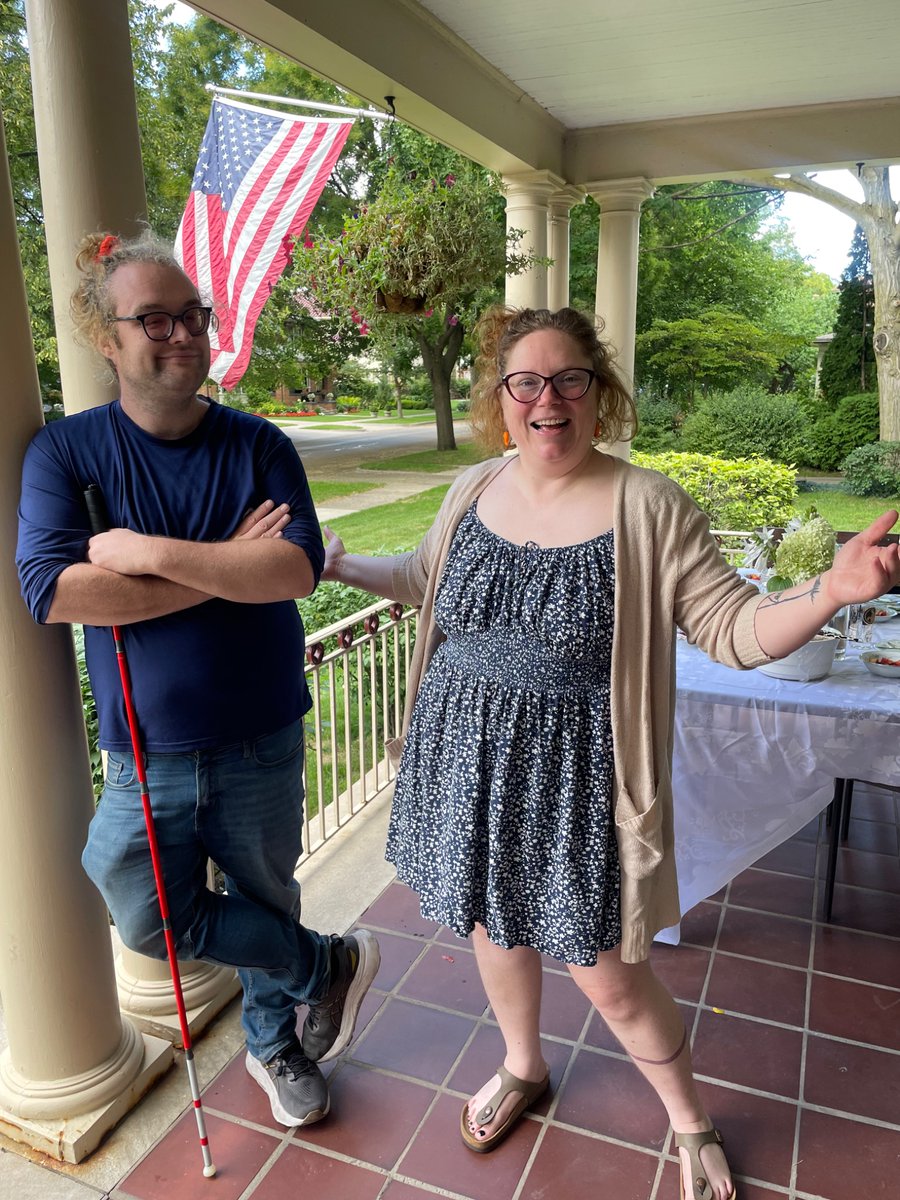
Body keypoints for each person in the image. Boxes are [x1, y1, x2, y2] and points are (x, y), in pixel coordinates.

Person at [321, 305, 900, 1200]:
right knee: (490, 923)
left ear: (599, 395)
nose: (546, 399)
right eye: (526, 382)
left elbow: (734, 629)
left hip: (576, 783)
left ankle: (688, 1116)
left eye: (568, 380)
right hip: (463, 758)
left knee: (612, 979)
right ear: (501, 399)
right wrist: (338, 563)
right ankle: (522, 1065)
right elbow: (423, 578)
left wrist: (828, 591)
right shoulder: (473, 487)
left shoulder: (647, 505)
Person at [15, 230, 379, 1130]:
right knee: (142, 914)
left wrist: (143, 559)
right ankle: (321, 965)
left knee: (263, 895)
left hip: (261, 730)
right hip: (145, 749)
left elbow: (292, 572)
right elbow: (54, 592)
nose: (180, 334)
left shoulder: (257, 443)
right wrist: (224, 565)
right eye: (154, 319)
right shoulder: (69, 456)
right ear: (108, 338)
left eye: (191, 316)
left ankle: (274, 1045)